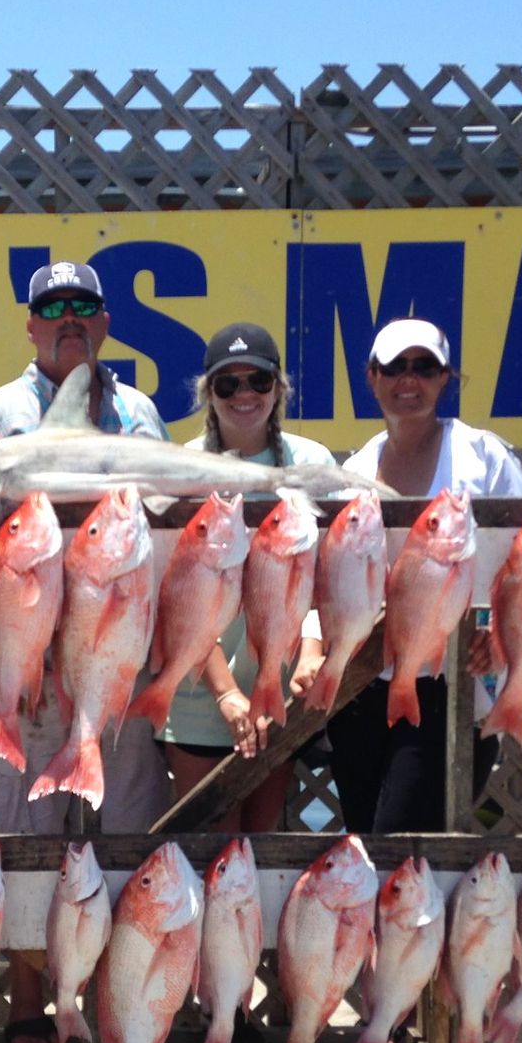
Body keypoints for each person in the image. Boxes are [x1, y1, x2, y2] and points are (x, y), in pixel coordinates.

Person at [0, 259, 171, 1043]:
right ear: (30, 324)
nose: (69, 319)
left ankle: (112, 1003)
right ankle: (30, 1001)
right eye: (53, 308)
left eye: (84, 307)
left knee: (123, 828)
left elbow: (165, 514)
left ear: (104, 323)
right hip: (27, 663)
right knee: (24, 834)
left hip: (113, 661)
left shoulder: (138, 412)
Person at [325, 318, 522, 834]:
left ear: (445, 379)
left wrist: (497, 633)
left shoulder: (484, 456)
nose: (408, 380)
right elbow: (333, 578)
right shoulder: (356, 468)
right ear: (371, 377)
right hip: (363, 682)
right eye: (394, 367)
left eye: (424, 367)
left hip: (456, 677)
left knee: (407, 841)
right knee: (364, 844)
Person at [159, 322, 333, 832]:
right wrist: (225, 692)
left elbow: (325, 582)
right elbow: (179, 602)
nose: (244, 395)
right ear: (207, 394)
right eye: (227, 383)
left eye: (257, 381)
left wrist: (313, 652)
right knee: (210, 845)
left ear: (278, 388)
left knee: (261, 844)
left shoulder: (312, 463)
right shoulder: (183, 468)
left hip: (279, 693)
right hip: (198, 695)